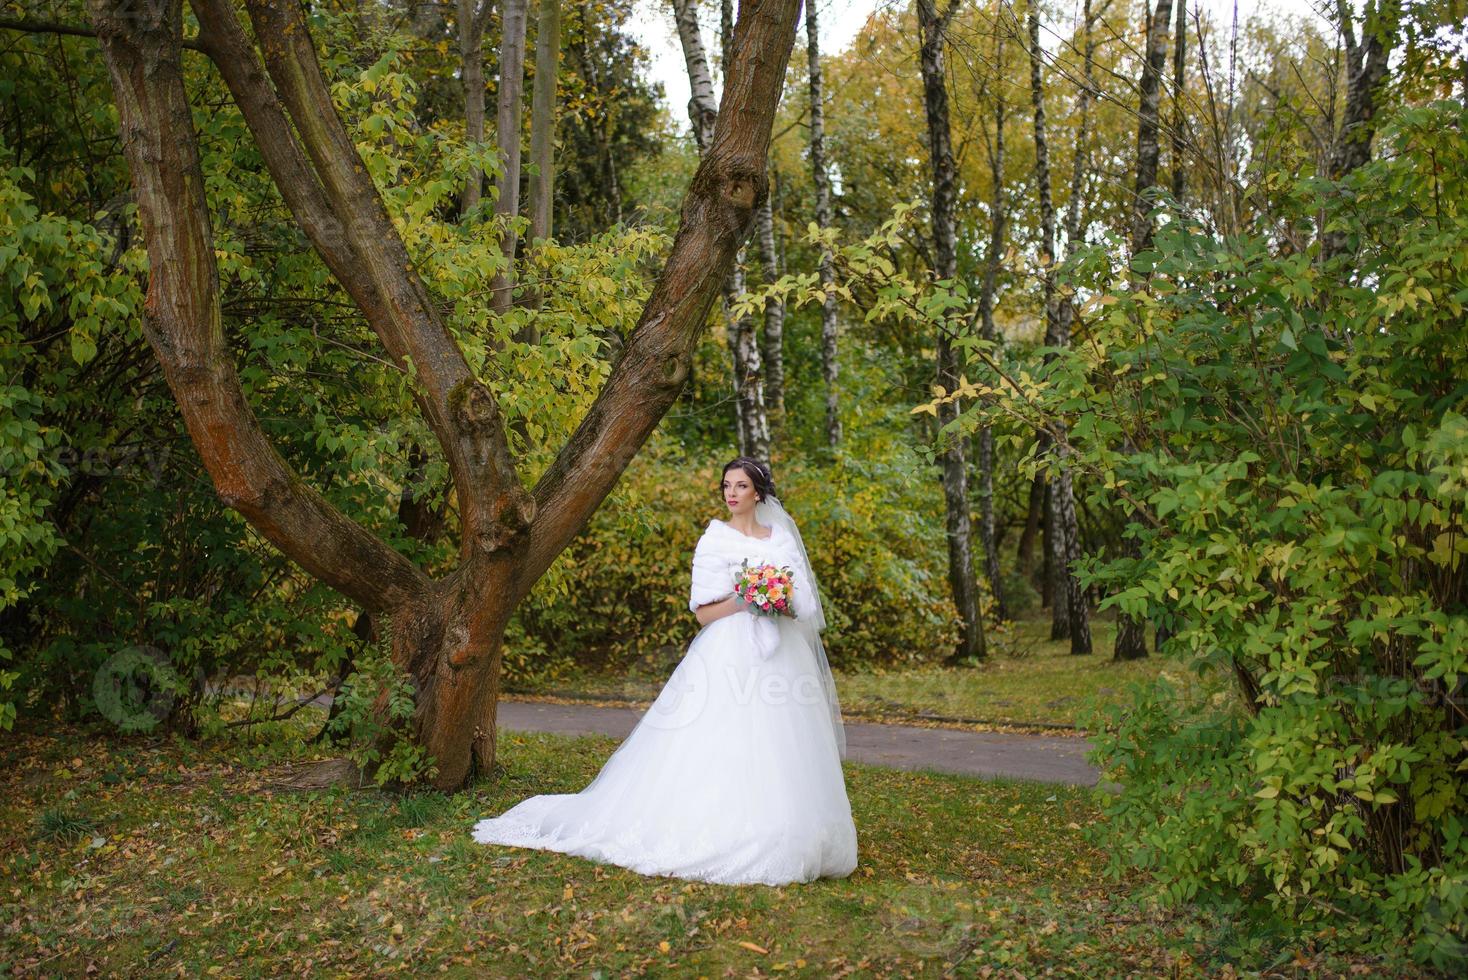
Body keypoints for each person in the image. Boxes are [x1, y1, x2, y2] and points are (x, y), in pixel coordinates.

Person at [471, 457, 857, 886]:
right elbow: (704, 614)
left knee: (783, 742)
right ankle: (717, 825)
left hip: (780, 656)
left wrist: (777, 598)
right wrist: (747, 599)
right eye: (726, 485)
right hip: (727, 649)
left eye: (741, 486)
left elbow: (803, 604)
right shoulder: (714, 541)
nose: (731, 493)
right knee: (718, 739)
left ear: (758, 493)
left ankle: (791, 830)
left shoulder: (780, 540)